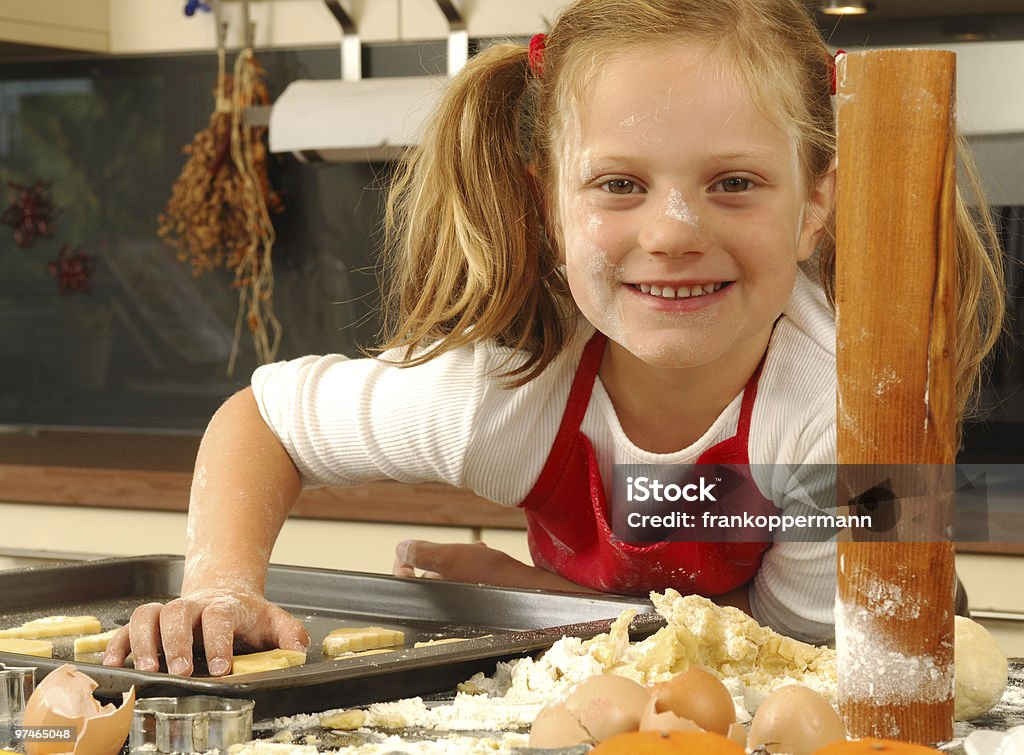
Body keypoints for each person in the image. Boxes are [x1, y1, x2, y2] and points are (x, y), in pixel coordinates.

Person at [104, 0, 1004, 677]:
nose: (672, 231)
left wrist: (537, 595)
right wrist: (219, 586)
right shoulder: (503, 392)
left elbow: (784, 669)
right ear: (547, 206)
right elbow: (262, 419)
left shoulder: (850, 424)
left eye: (733, 181)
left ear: (816, 205)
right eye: (619, 184)